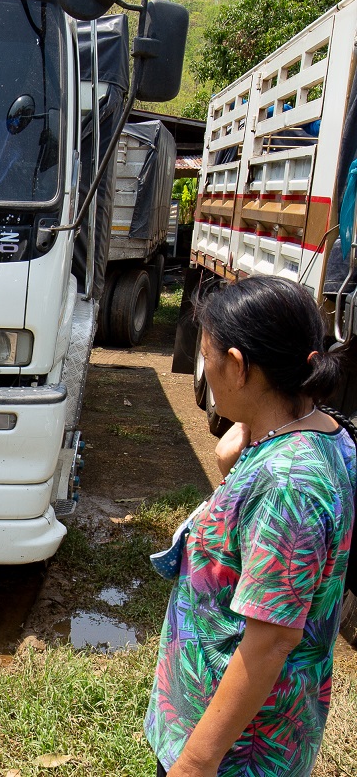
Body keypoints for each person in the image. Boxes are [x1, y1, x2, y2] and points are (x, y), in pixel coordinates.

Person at [145, 275, 356, 777]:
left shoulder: (288, 483)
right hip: (231, 733)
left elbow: (270, 643)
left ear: (237, 366)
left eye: (208, 357)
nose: (206, 371)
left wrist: (195, 762)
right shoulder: (322, 433)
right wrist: (239, 454)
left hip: (235, 754)